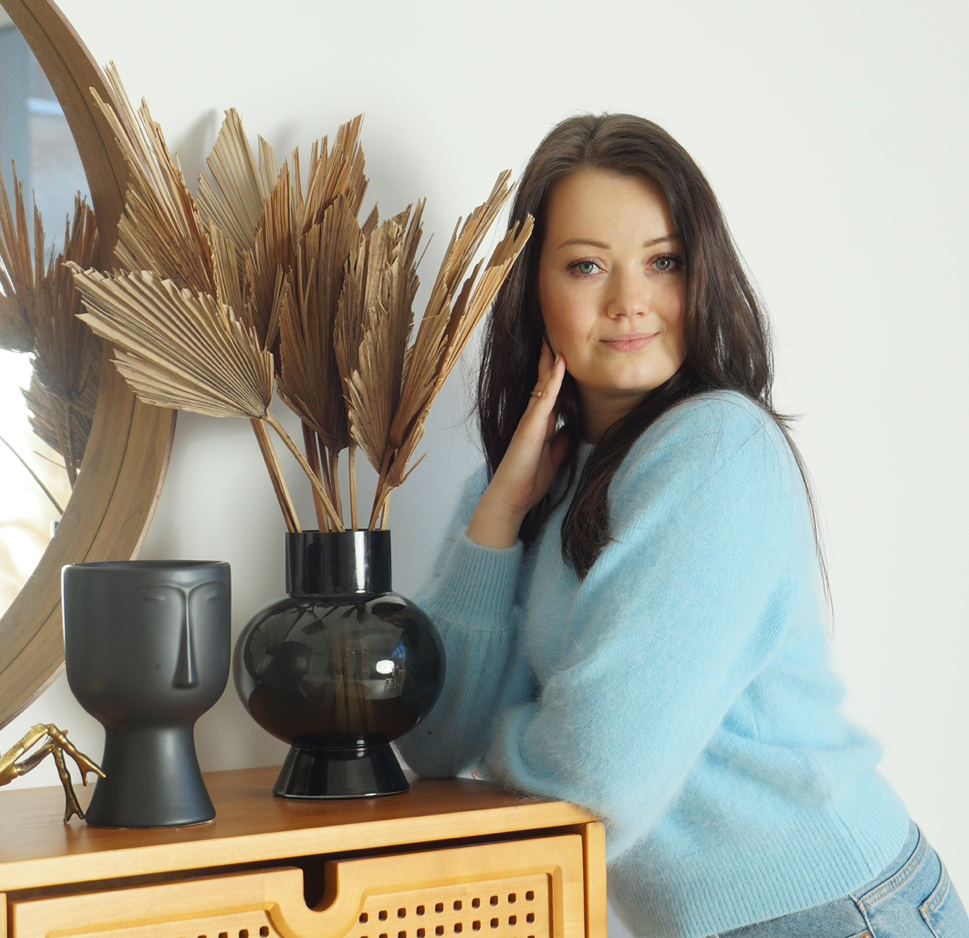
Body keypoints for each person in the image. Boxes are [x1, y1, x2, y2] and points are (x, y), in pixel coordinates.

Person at [396, 114, 969, 938]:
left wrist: (506, 737)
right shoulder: (524, 481)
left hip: (839, 913)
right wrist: (497, 518)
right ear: (532, 289)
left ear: (701, 272)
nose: (629, 301)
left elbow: (598, 777)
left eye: (662, 261)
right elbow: (434, 742)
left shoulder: (717, 449)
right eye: (587, 265)